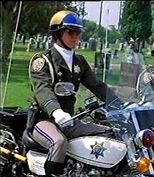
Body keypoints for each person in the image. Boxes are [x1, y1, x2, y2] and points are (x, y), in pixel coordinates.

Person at [28, 10, 112, 177]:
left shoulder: (79, 61)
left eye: (78, 32)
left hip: (70, 120)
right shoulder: (43, 60)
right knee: (59, 142)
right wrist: (57, 111)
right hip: (44, 120)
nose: (76, 36)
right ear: (58, 33)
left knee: (108, 133)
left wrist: (123, 102)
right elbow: (42, 89)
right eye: (71, 32)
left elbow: (96, 86)